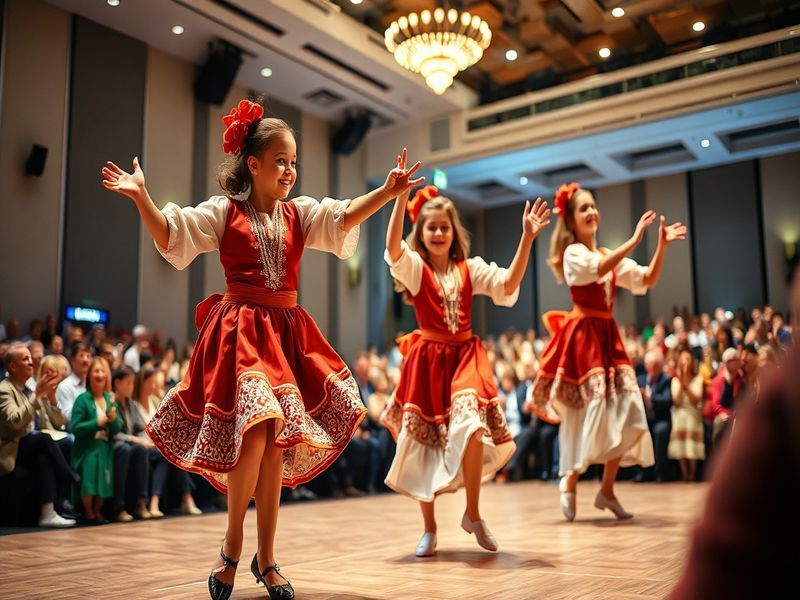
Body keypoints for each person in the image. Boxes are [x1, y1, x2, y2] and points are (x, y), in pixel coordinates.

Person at [102, 98, 423, 600]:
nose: (291, 170)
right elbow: (172, 234)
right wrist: (143, 197)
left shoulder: (299, 215)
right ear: (253, 164)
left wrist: (385, 191)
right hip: (241, 333)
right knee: (252, 437)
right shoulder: (224, 213)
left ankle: (266, 557)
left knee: (274, 447)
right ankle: (232, 547)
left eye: (294, 161)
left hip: (285, 335)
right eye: (281, 161)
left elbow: (340, 220)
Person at [381, 172, 550, 557]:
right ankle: (429, 528)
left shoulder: (470, 269)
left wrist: (526, 238)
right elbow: (393, 250)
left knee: (473, 427)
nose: (439, 233)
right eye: (431, 228)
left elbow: (507, 285)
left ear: (454, 232)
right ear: (421, 233)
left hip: (465, 357)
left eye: (444, 227)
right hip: (427, 362)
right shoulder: (415, 268)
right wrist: (397, 198)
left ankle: (472, 513)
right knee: (425, 444)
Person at [529, 182, 686, 521]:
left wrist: (660, 245)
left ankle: (607, 489)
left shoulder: (607, 256)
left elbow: (648, 279)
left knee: (628, 408)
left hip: (608, 337)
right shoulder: (574, 254)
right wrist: (632, 241)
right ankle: (569, 480)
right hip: (583, 338)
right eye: (583, 208)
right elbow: (598, 270)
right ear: (571, 221)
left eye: (593, 206)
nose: (591, 212)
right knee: (586, 412)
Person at [70, 357, 120, 524]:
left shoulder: (110, 399)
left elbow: (117, 428)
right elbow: (76, 428)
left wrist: (113, 420)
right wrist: (97, 422)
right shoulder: (82, 400)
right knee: (90, 476)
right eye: (96, 371)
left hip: (104, 446)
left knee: (105, 480)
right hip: (87, 448)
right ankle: (88, 512)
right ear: (89, 375)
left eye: (103, 371)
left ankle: (97, 511)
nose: (100, 375)